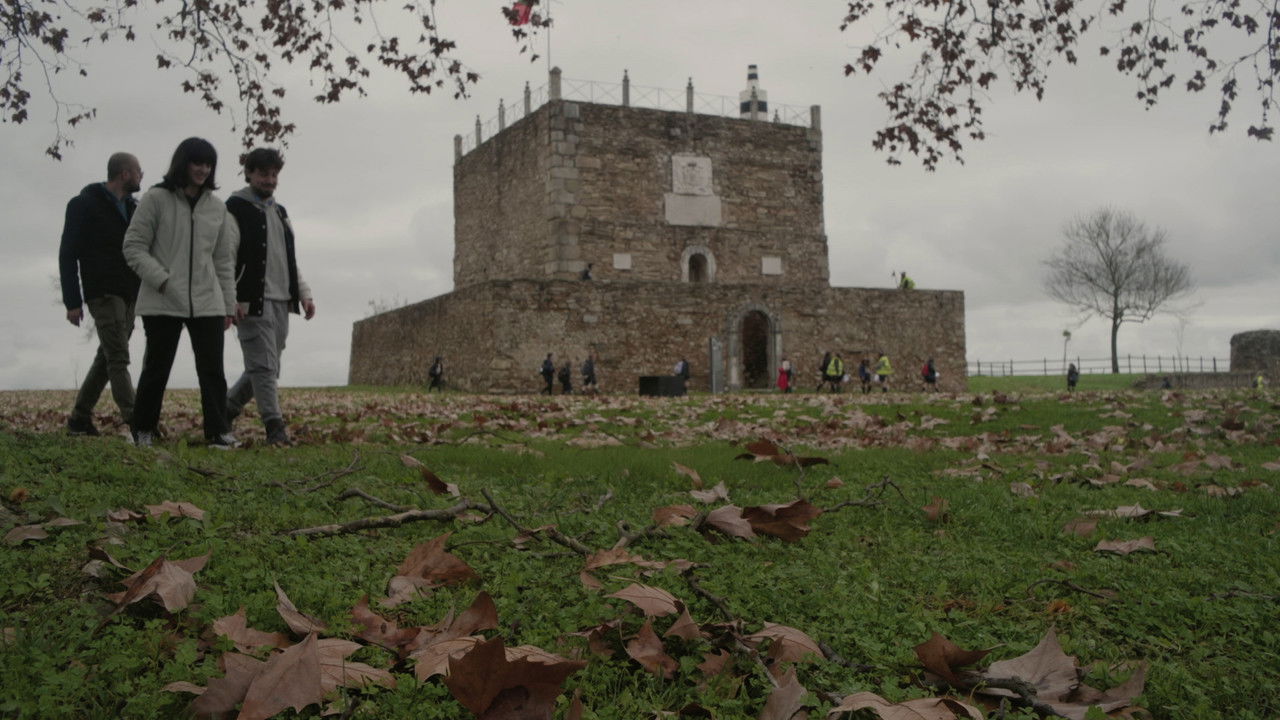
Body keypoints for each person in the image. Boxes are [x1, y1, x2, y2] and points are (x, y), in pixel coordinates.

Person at [123, 137, 239, 448]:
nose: (203, 169)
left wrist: (228, 304)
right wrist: (161, 279)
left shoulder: (217, 208)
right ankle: (143, 430)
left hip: (208, 302)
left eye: (208, 164)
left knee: (213, 371)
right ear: (183, 164)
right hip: (162, 301)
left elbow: (223, 260)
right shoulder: (155, 199)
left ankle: (218, 431)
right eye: (197, 162)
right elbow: (133, 247)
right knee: (156, 370)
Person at [224, 148, 316, 446]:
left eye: (274, 174)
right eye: (264, 173)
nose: (270, 179)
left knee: (267, 366)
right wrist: (230, 297)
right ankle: (275, 428)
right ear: (249, 173)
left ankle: (225, 409)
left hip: (281, 301)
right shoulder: (235, 208)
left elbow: (289, 259)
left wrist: (304, 294)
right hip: (249, 301)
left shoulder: (280, 212)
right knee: (263, 365)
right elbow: (225, 256)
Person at [58, 152, 145, 436]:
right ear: (125, 174)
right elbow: (68, 253)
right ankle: (138, 423)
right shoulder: (83, 205)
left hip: (131, 294)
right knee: (118, 356)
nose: (141, 176)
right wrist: (73, 301)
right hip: (102, 293)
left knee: (107, 357)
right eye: (138, 171)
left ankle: (79, 419)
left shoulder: (135, 209)